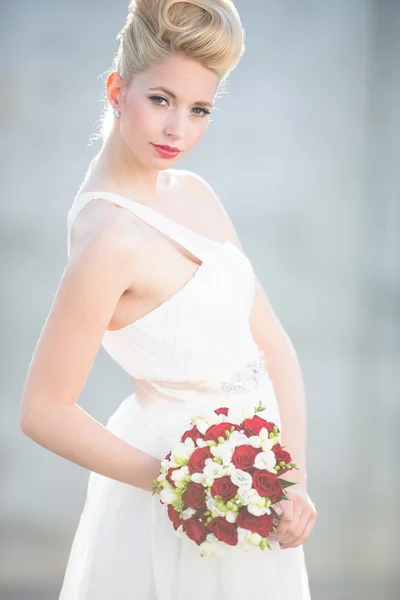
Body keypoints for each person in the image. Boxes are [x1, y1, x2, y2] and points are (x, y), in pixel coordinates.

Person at [20, 0, 317, 598]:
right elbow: (43, 410)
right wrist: (180, 482)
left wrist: (292, 477)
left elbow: (274, 343)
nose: (178, 129)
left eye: (199, 109)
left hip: (259, 478)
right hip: (183, 488)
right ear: (115, 88)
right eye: (160, 100)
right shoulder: (108, 239)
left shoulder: (196, 193)